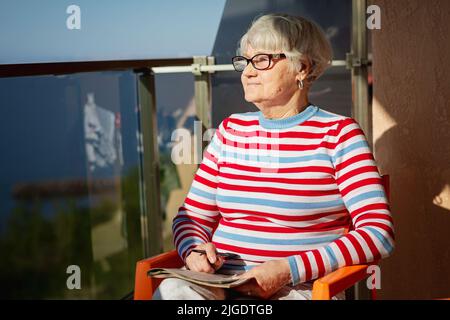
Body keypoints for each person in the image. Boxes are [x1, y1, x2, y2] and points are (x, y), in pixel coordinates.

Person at [153, 13, 395, 300]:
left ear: (302, 67)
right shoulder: (231, 130)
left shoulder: (339, 134)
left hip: (298, 290)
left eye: (262, 60)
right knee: (172, 291)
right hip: (220, 285)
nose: (248, 72)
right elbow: (191, 218)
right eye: (245, 61)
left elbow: (377, 233)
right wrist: (193, 250)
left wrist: (286, 269)